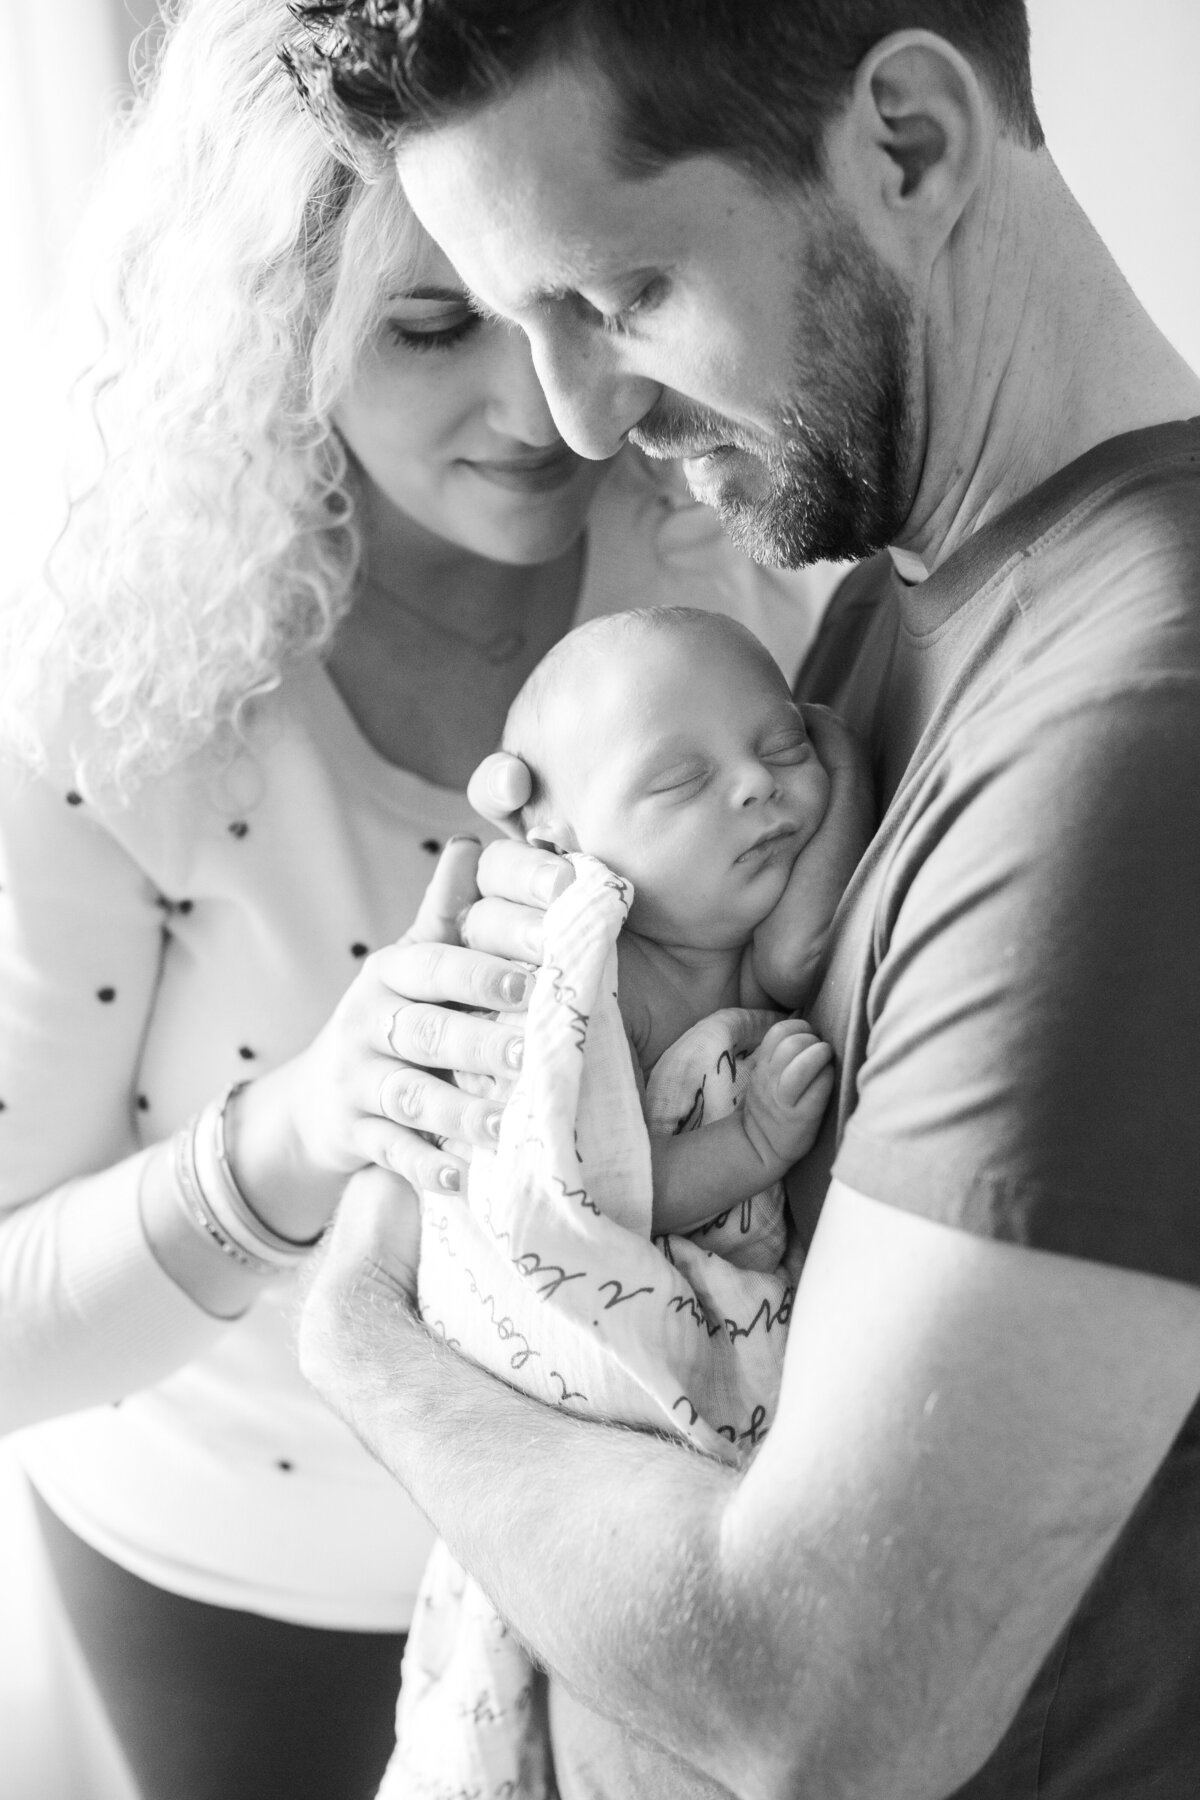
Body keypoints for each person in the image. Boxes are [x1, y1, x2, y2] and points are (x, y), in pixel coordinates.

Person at [283, 4, 1200, 1797]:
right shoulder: (901, 601)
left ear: (911, 142)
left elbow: (819, 1708)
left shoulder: (1135, 732)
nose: (576, 418)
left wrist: (372, 1337)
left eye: (615, 299)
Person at [0, 3, 828, 1797]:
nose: (541, 401)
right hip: (244, 1583)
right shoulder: (103, 691)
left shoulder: (731, 564)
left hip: (646, 1559)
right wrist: (301, 1130)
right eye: (431, 322)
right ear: (273, 325)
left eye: (563, 297)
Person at [503, 604, 872, 1229]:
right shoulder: (598, 991)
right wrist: (753, 1140)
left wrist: (839, 758)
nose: (757, 779)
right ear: (566, 856)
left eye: (785, 745)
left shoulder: (734, 940)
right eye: (681, 781)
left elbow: (800, 954)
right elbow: (590, 1189)